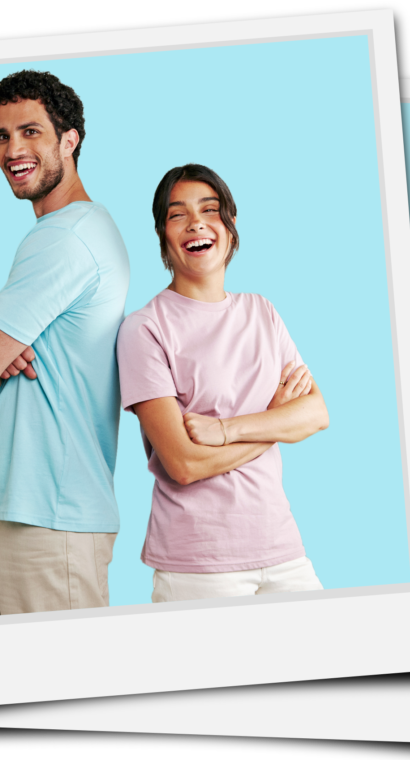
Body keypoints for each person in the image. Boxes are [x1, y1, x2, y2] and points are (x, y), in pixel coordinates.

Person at [0, 70, 130, 616]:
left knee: (58, 696)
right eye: (1, 137)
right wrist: (2, 348)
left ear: (69, 140)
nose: (13, 150)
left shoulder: (67, 236)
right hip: (0, 504)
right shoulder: (58, 234)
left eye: (31, 132)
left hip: (51, 517)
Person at [116, 164, 329, 602]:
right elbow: (184, 464)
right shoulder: (145, 329)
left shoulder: (262, 312)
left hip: (283, 547)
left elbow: (316, 412)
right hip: (199, 563)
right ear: (163, 236)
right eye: (178, 214)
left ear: (230, 228)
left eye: (209, 209)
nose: (195, 222)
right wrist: (274, 423)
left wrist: (226, 429)